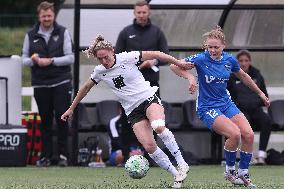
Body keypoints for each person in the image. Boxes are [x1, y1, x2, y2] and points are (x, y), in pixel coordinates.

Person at [61, 34, 190, 188]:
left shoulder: (128, 57)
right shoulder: (99, 71)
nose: (104, 61)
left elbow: (156, 54)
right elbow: (85, 88)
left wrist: (177, 62)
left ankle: (182, 164)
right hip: (132, 111)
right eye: (100, 59)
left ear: (112, 51)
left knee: (158, 126)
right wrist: (71, 108)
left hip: (148, 99)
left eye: (105, 57)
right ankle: (177, 176)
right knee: (149, 146)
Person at [170, 26, 270, 187]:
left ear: (223, 46)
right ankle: (230, 172)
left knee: (249, 134)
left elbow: (243, 76)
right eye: (210, 47)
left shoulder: (229, 60)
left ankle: (243, 173)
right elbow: (174, 66)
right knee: (234, 134)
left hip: (226, 103)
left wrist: (260, 93)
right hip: (207, 107)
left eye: (216, 47)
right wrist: (190, 78)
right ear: (206, 47)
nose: (212, 50)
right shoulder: (201, 59)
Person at [22, 1, 74, 167]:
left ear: (53, 15)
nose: (46, 18)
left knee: (61, 118)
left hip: (61, 81)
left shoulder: (63, 32)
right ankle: (45, 157)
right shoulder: (30, 35)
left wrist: (50, 61)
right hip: (41, 84)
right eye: (44, 16)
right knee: (44, 121)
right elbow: (23, 59)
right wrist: (34, 60)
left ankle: (63, 156)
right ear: (39, 16)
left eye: (49, 15)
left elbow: (70, 57)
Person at [115, 0, 169, 97]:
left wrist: (154, 62)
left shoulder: (157, 32)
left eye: (144, 12)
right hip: (130, 82)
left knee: (154, 111)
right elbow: (117, 57)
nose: (141, 15)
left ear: (149, 13)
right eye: (139, 12)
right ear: (134, 13)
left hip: (151, 83)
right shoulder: (126, 32)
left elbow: (166, 56)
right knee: (129, 112)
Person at [227, 50, 272, 165]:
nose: (243, 63)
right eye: (241, 61)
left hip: (256, 110)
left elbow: (264, 94)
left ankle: (261, 155)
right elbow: (228, 96)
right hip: (240, 111)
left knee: (266, 120)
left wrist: (262, 101)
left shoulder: (257, 75)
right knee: (244, 123)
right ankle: (247, 156)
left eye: (246, 61)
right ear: (237, 62)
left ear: (250, 62)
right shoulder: (232, 77)